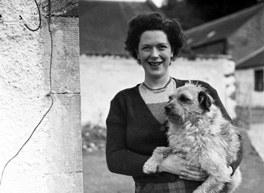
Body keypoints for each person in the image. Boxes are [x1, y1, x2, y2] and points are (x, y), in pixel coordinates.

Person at [106, 12, 243, 193]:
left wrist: (227, 170)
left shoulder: (200, 90)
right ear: (137, 52)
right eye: (146, 48)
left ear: (172, 51)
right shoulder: (123, 101)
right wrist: (162, 164)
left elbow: (234, 138)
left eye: (162, 47)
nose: (154, 55)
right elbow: (115, 158)